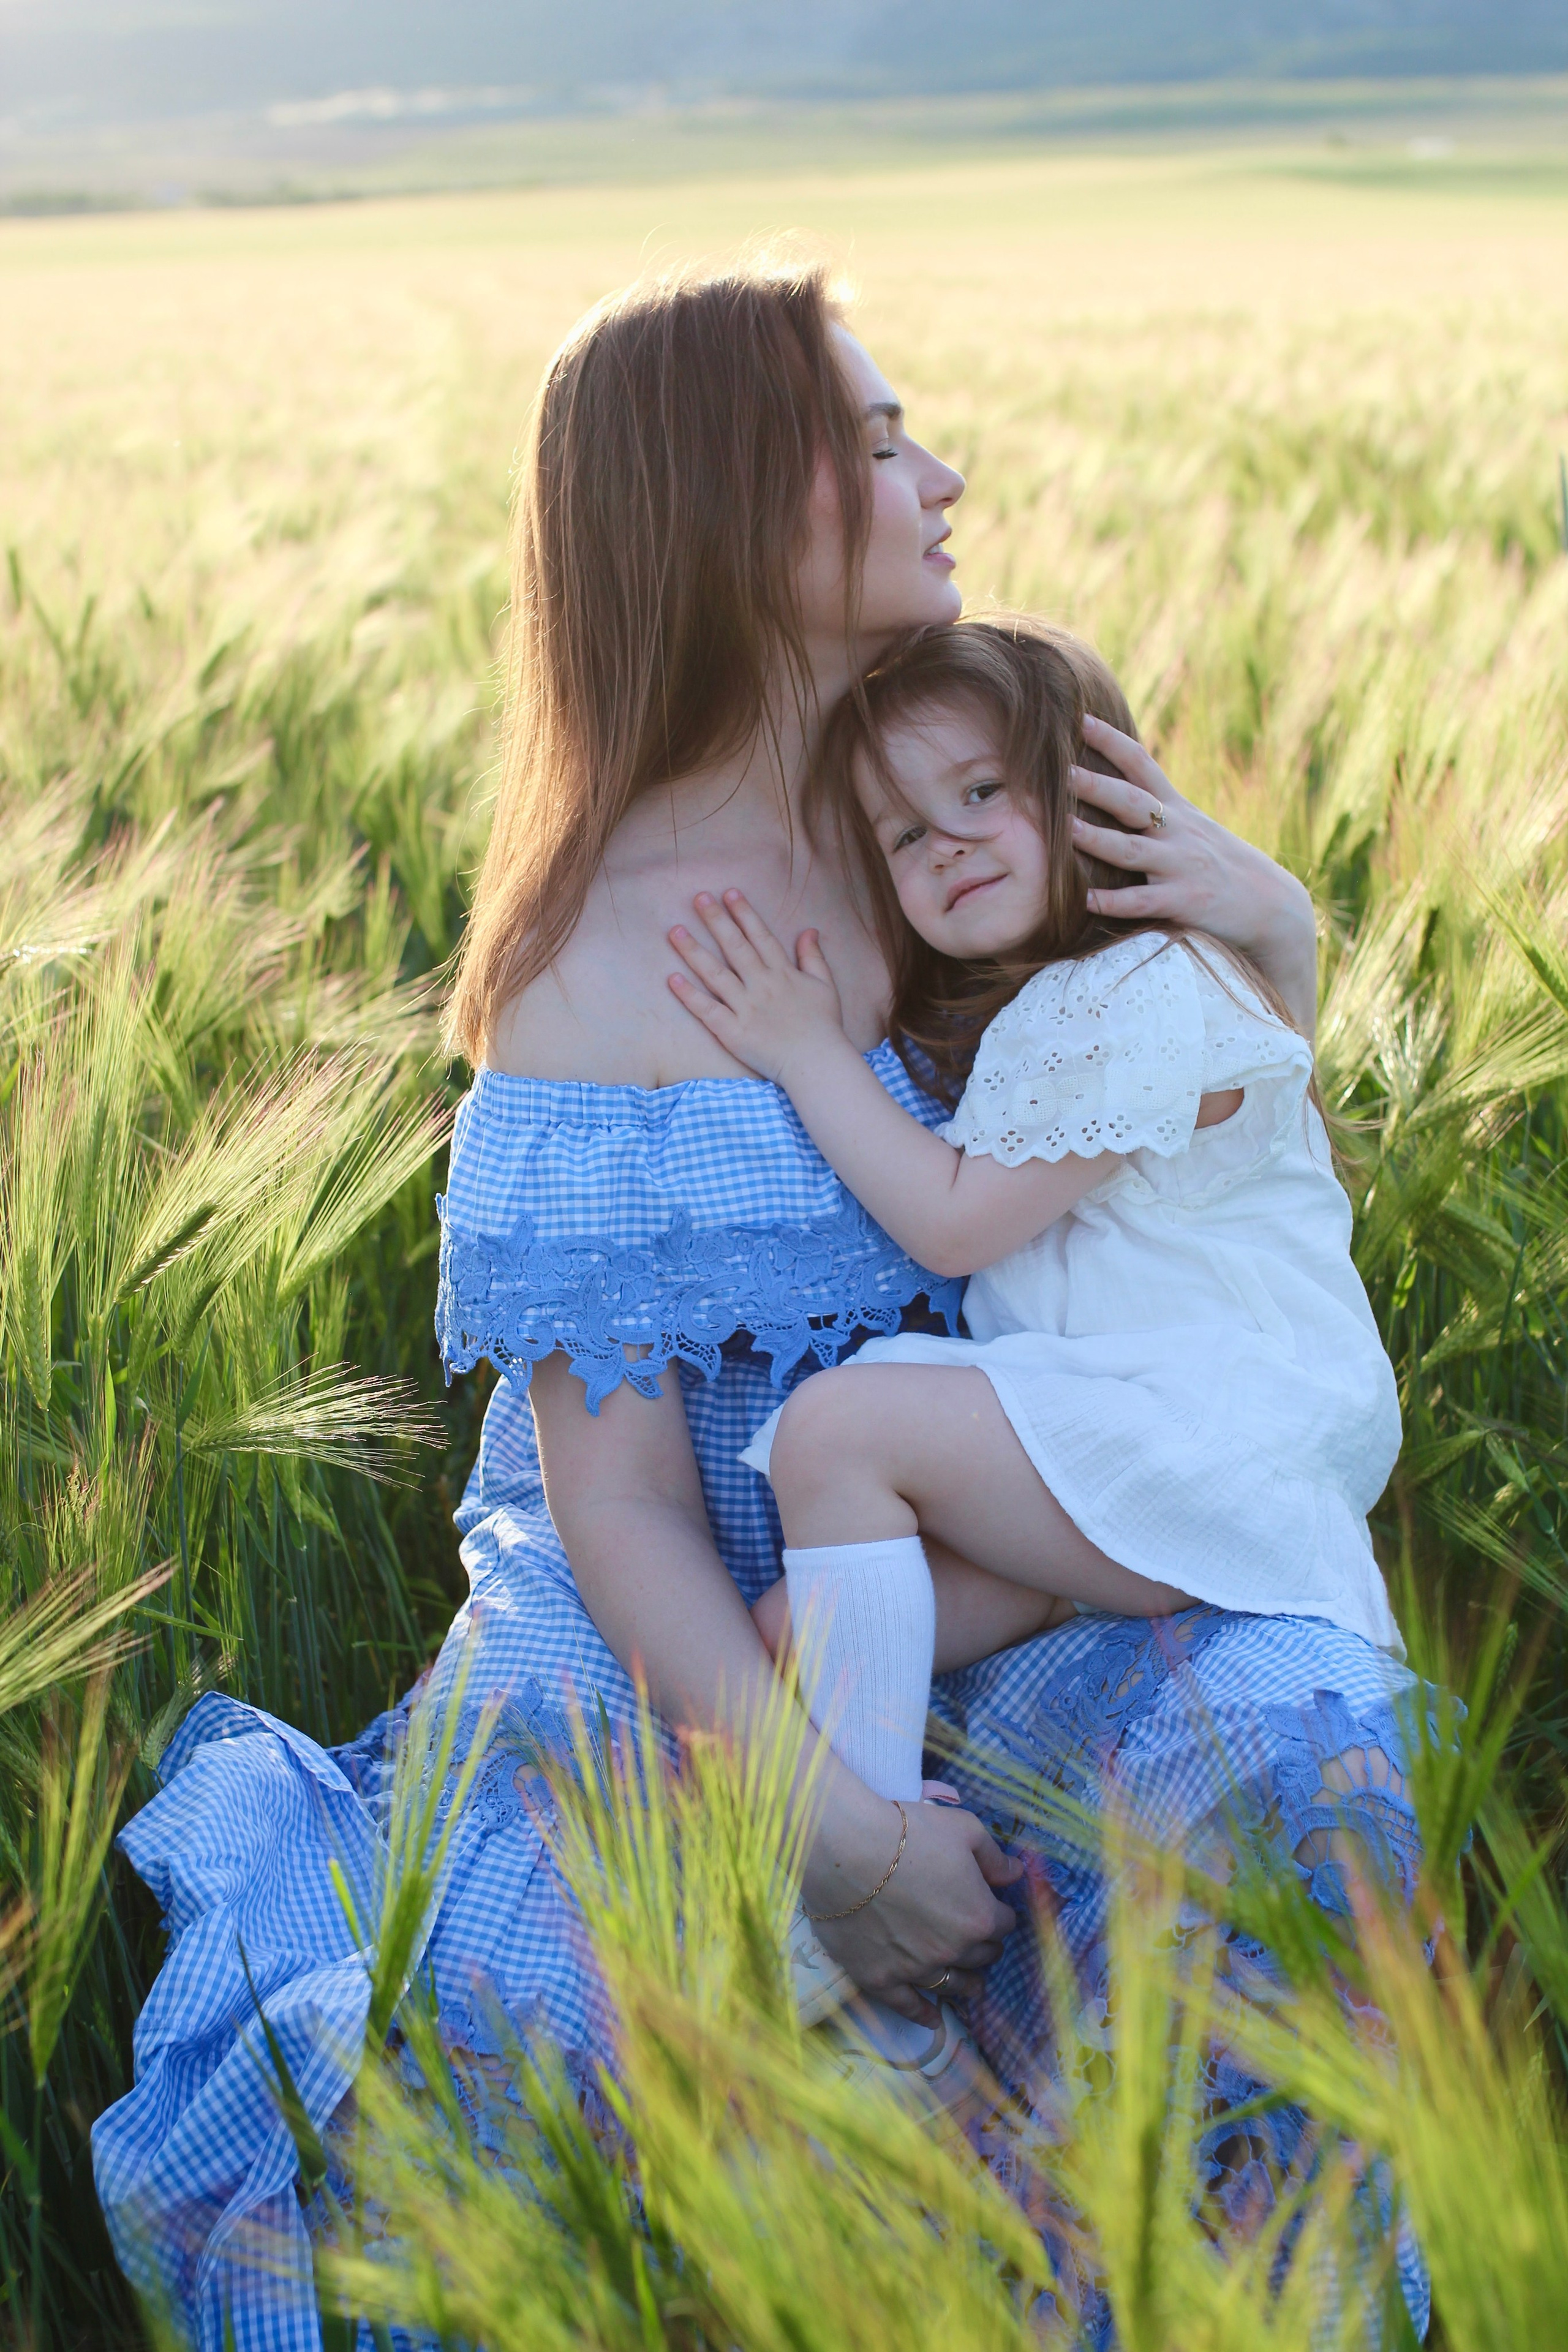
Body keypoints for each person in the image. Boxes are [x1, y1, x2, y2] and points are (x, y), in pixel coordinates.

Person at [92, 258, 1427, 2346]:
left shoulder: (974, 806)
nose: (945, 474)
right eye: (884, 445)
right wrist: (824, 1824)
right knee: (568, 2036)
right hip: (691, 1640)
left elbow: (1208, 1151)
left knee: (1290, 1768)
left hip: (1003, 1544)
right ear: (736, 509)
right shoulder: (599, 958)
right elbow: (615, 1502)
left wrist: (1281, 934)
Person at [662, 616, 1403, 1926]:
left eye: (980, 792)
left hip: (1207, 1434)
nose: (942, 840)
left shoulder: (1153, 990)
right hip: (1110, 1439)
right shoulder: (1053, 1011)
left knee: (838, 1431)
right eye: (899, 834)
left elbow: (951, 1228)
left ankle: (869, 1905)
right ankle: (763, 1950)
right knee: (780, 1651)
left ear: (1098, 797)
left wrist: (801, 1048)